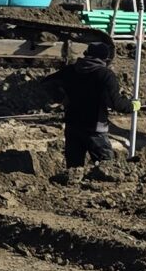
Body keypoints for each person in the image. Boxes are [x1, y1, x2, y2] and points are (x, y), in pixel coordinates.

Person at [49, 39, 126, 172]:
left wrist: (62, 98)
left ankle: (72, 189)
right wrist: (132, 105)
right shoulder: (105, 75)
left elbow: (47, 84)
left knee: (73, 170)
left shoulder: (71, 70)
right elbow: (115, 103)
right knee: (106, 169)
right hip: (95, 130)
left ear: (86, 54)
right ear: (105, 59)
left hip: (72, 126)